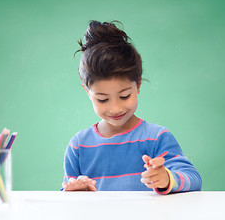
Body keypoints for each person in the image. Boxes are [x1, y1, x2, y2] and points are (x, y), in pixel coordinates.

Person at [61, 20, 202, 194]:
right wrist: (75, 192)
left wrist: (166, 178)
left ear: (138, 84)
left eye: (124, 96)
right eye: (103, 99)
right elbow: (65, 195)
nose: (116, 108)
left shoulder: (156, 138)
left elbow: (193, 178)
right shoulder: (79, 146)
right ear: (87, 91)